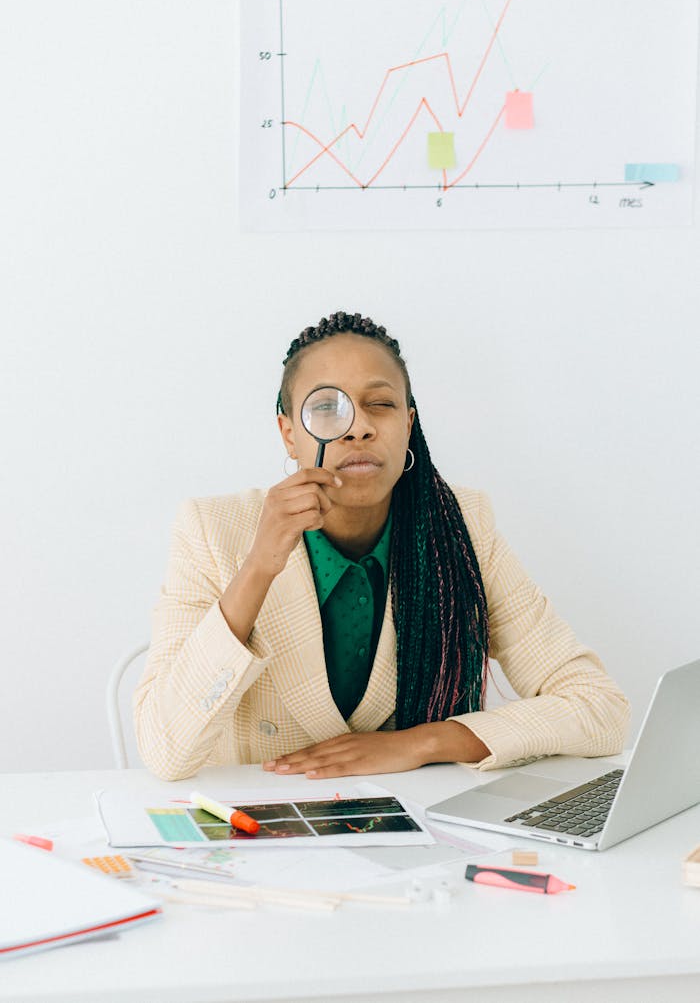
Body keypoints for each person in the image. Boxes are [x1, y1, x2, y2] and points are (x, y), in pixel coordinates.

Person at [134, 311, 629, 781]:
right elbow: (164, 751)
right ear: (288, 434)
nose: (358, 426)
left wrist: (422, 743)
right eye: (327, 407)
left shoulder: (462, 527)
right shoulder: (212, 529)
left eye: (381, 404)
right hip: (266, 832)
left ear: (408, 425)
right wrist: (260, 566)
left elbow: (599, 707)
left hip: (419, 833)